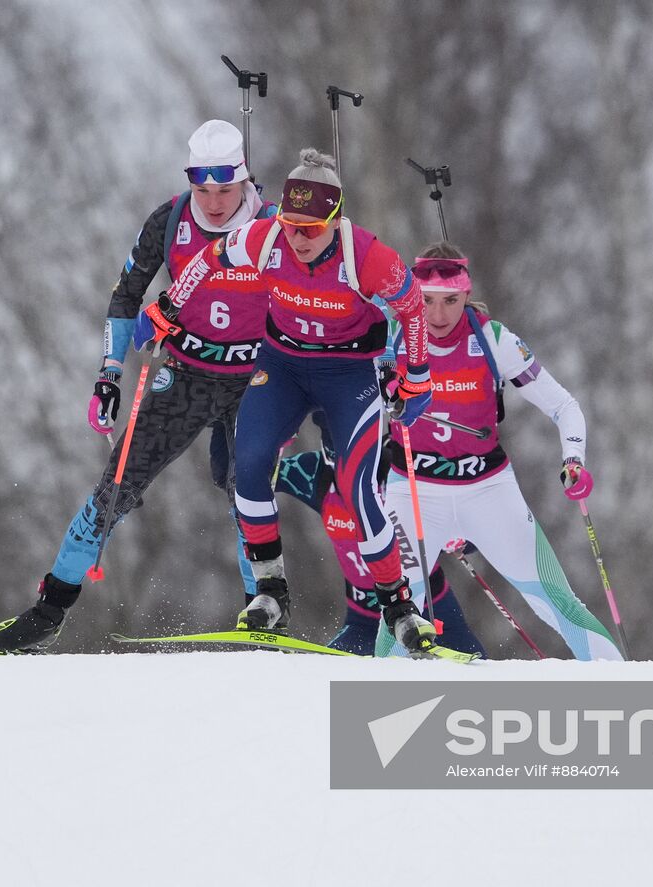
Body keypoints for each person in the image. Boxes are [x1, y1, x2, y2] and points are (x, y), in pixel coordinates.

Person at [0, 120, 277, 653]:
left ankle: (264, 613)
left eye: (224, 189)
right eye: (202, 189)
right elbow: (125, 295)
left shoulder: (274, 227)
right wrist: (109, 373)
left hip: (256, 377)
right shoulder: (172, 218)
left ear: (244, 179)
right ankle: (50, 608)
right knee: (114, 490)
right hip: (186, 373)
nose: (214, 201)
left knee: (245, 488)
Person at [138, 149, 443, 655]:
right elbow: (210, 258)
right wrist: (169, 305)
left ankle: (398, 606)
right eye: (289, 224)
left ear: (335, 219)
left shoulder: (364, 255)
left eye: (310, 228)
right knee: (250, 465)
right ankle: (271, 592)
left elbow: (411, 306)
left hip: (348, 375)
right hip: (282, 366)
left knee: (358, 489)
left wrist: (417, 375)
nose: (297, 238)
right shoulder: (266, 239)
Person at [378, 242, 624, 660]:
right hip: (413, 492)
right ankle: (373, 715)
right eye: (428, 302)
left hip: (487, 490)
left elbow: (564, 406)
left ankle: (628, 690)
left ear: (466, 294)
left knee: (556, 602)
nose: (437, 316)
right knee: (399, 611)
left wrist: (573, 461)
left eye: (451, 301)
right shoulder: (390, 337)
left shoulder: (494, 341)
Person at [272, 446, 486, 657]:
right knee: (332, 680)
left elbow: (471, 529)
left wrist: (457, 538)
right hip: (365, 621)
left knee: (479, 675)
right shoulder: (314, 471)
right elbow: (254, 473)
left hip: (426, 606)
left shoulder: (397, 467)